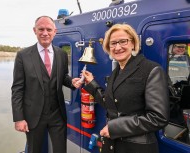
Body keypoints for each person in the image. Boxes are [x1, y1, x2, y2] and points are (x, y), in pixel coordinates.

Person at [82, 23, 169, 153]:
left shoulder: (151, 69)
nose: (118, 47)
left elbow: (158, 118)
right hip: (112, 145)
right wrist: (91, 83)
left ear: (133, 43)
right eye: (113, 43)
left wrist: (114, 128)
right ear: (108, 47)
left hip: (135, 148)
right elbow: (110, 103)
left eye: (123, 41)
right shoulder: (116, 72)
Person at [11, 16, 81, 153]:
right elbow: (17, 89)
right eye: (41, 29)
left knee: (60, 150)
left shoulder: (61, 54)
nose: (45, 33)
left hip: (57, 114)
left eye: (49, 29)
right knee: (34, 150)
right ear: (34, 31)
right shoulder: (23, 55)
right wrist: (19, 118)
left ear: (55, 32)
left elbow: (62, 77)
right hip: (33, 115)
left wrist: (71, 81)